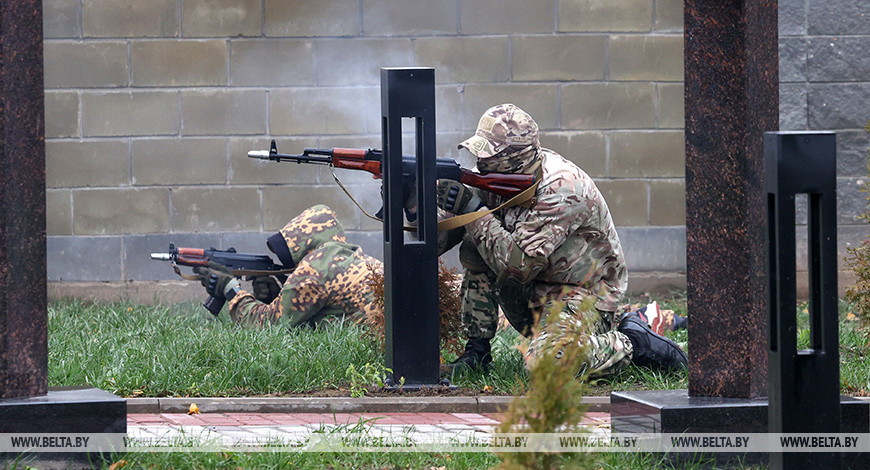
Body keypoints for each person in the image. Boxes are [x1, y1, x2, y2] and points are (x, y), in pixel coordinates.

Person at [434, 103, 687, 377]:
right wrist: (415, 205)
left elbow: (516, 268)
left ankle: (631, 343)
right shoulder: (494, 177)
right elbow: (438, 243)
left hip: (582, 300)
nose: (480, 164)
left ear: (515, 159)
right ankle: (477, 352)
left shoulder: (561, 188)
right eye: (480, 156)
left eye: (489, 157)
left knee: (546, 367)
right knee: (477, 242)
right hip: (531, 296)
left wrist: (472, 210)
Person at [192, 204, 382, 328]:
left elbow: (266, 326)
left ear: (304, 242)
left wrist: (230, 288)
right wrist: (278, 296)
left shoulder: (316, 267)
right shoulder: (357, 258)